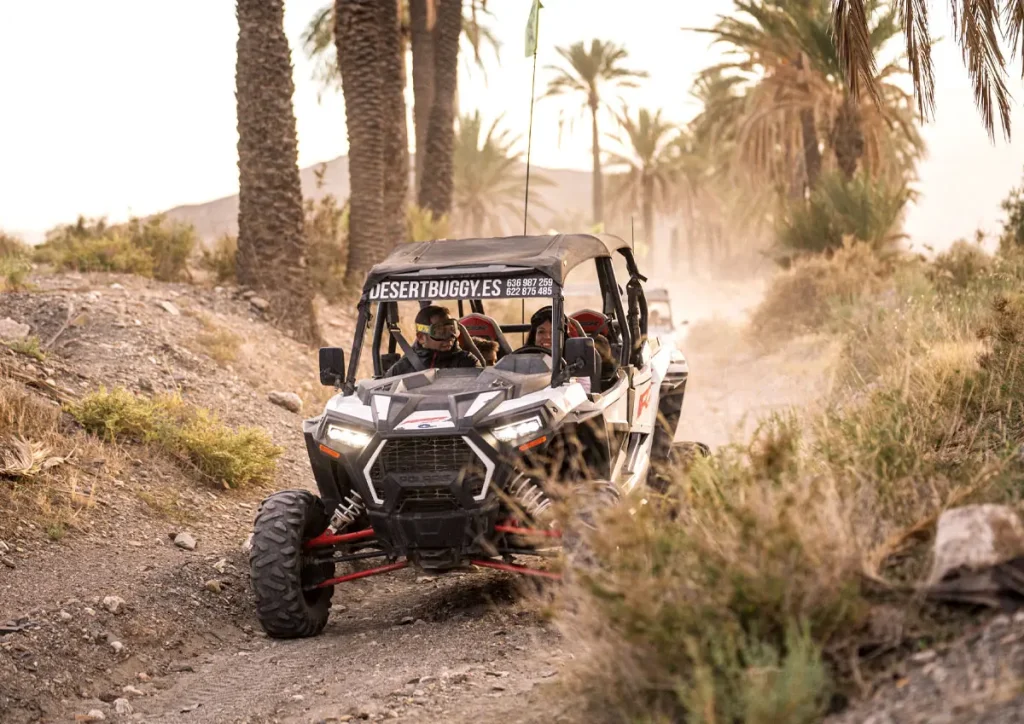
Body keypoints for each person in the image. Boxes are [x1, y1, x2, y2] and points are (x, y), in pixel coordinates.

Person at [385, 305, 480, 377]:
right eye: (440, 332)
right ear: (421, 337)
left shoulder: (467, 362)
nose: (450, 338)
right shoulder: (402, 369)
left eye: (452, 329)